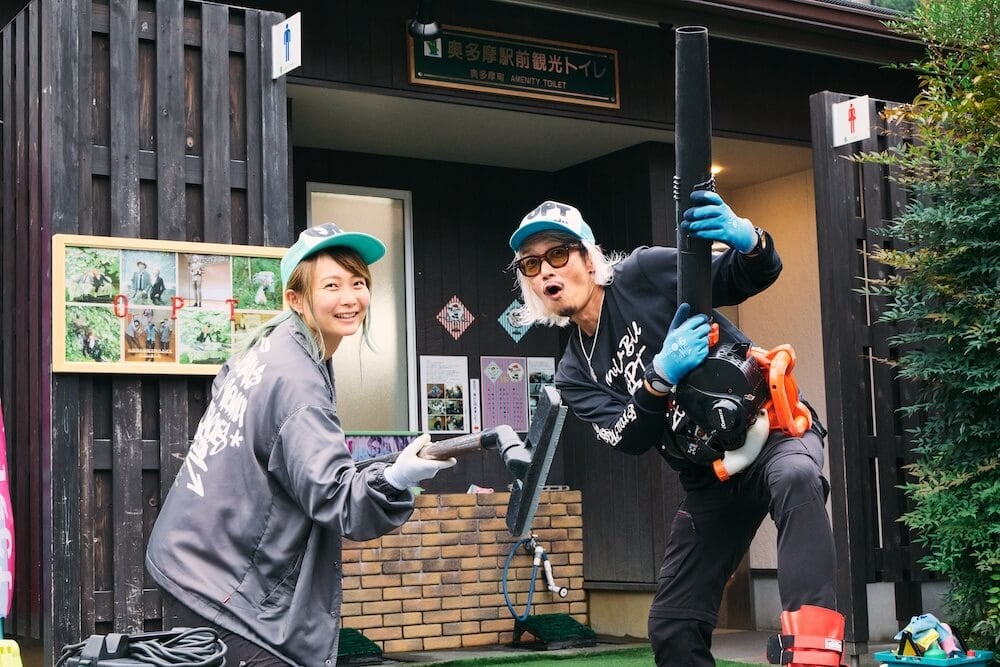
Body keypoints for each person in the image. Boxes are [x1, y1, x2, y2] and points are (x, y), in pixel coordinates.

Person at [508, 196, 839, 667]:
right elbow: (627, 437)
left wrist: (749, 239)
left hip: (771, 426)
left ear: (589, 256)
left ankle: (813, 654)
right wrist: (657, 379)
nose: (545, 271)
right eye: (531, 264)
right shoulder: (573, 374)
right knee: (672, 624)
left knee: (796, 477)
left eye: (558, 254)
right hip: (710, 476)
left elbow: (741, 275)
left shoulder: (642, 274)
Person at [146, 223, 456, 666]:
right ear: (295, 298)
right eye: (332, 285)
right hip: (225, 588)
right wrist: (398, 477)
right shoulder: (297, 380)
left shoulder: (265, 348)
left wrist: (376, 467)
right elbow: (336, 500)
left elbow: (287, 451)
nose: (350, 298)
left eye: (358, 283)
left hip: (194, 559)